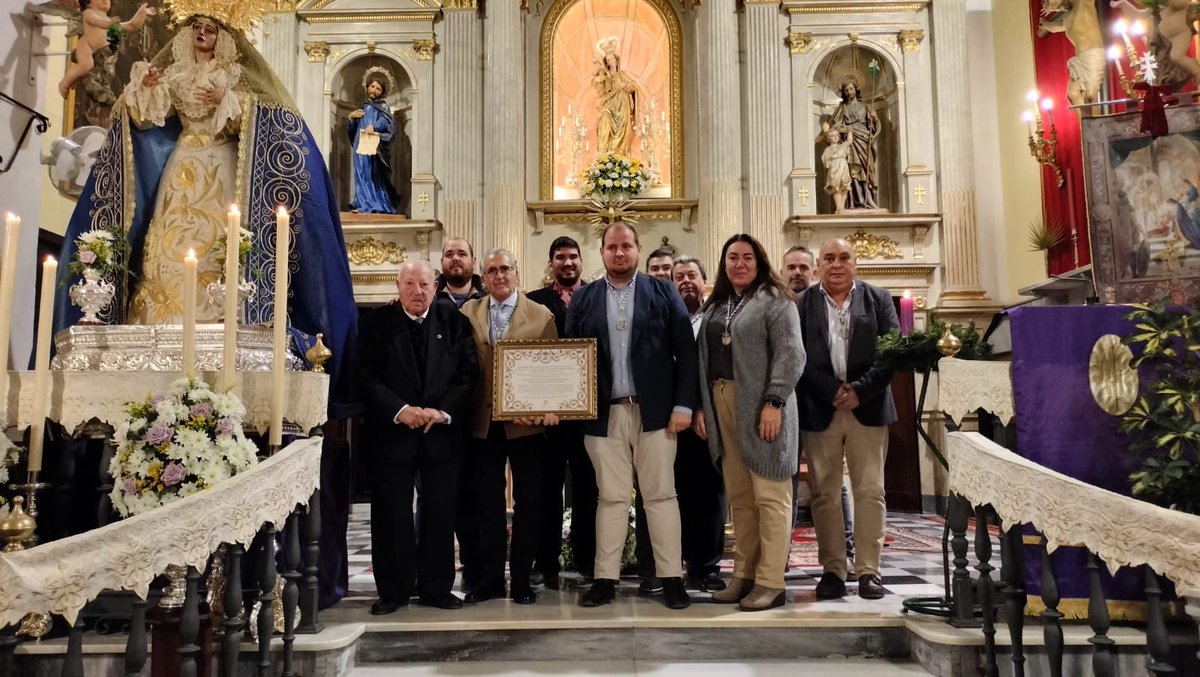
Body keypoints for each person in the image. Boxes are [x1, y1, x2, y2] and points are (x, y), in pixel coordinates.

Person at [54, 12, 359, 417]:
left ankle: (222, 323)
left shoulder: (236, 76)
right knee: (167, 243)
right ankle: (162, 328)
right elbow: (143, 118)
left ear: (224, 37)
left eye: (210, 30)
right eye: (196, 28)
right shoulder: (175, 73)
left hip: (222, 167)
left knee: (219, 245)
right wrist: (143, 91)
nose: (201, 35)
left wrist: (231, 103)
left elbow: (268, 120)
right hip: (181, 165)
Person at [565, 222, 697, 610]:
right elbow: (570, 357)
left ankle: (671, 578)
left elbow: (686, 351)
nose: (619, 253)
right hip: (603, 414)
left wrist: (683, 405)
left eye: (626, 246)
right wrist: (570, 405)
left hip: (656, 412)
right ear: (602, 252)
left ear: (638, 248)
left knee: (661, 495)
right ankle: (605, 579)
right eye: (612, 247)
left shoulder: (663, 291)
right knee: (611, 498)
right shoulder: (584, 298)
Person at [357, 260, 478, 613]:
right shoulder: (375, 324)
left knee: (440, 513)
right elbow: (366, 376)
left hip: (441, 433)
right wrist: (400, 410)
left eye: (424, 284)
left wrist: (443, 412)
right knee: (391, 513)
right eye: (409, 284)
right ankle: (393, 591)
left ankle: (436, 588)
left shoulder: (455, 323)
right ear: (398, 287)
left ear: (435, 287)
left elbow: (468, 374)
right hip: (392, 433)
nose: (417, 291)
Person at [694, 234, 803, 611]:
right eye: (732, 257)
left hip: (761, 405)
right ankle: (744, 574)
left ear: (760, 262)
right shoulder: (717, 304)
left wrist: (774, 401)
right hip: (721, 401)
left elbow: (792, 354)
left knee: (770, 495)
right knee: (740, 498)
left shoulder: (776, 300)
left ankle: (771, 581)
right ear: (723, 264)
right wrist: (703, 406)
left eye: (747, 257)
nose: (739, 264)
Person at [796, 238, 899, 601]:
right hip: (820, 407)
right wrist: (831, 390)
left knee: (870, 490)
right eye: (829, 258)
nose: (836, 264)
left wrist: (859, 390)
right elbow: (796, 355)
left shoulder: (878, 299)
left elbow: (891, 351)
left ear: (856, 263)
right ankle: (834, 569)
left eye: (843, 258)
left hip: (867, 408)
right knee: (824, 493)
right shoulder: (802, 303)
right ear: (818, 266)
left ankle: (869, 570)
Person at [459, 249, 559, 605]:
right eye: (491, 271)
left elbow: (554, 370)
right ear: (483, 278)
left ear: (517, 273)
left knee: (529, 502)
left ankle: (520, 580)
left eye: (505, 269)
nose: (499, 275)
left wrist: (546, 408)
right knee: (486, 504)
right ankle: (490, 580)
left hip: (526, 426)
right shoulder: (467, 313)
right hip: (482, 423)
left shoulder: (541, 315)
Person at [526, 236, 596, 588]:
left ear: (581, 261)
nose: (567, 262)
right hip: (547, 415)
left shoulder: (596, 296)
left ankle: (587, 561)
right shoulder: (533, 301)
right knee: (546, 491)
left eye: (572, 257)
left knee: (587, 490)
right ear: (551, 262)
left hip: (588, 412)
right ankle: (546, 564)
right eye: (560, 257)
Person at [782, 245, 855, 563]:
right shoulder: (778, 305)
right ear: (782, 272)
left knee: (833, 481)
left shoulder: (821, 305)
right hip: (785, 407)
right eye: (791, 267)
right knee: (785, 479)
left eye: (803, 267)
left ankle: (846, 549)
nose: (797, 272)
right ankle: (781, 552)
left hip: (819, 404)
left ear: (813, 271)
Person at [670, 256, 727, 592]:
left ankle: (706, 566)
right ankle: (676, 563)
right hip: (673, 420)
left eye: (692, 275)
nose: (686, 281)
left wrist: (701, 407)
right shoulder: (667, 316)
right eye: (679, 277)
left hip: (711, 419)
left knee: (709, 493)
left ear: (705, 280)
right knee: (676, 494)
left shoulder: (718, 316)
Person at [58, 0, 156, 98]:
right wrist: (111, 23)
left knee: (102, 74)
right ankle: (64, 84)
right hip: (87, 47)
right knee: (86, 65)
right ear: (88, 2)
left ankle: (78, 79)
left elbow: (131, 25)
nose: (105, 0)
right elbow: (99, 22)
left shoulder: (110, 22)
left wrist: (143, 12)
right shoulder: (88, 13)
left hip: (102, 54)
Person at [347, 70, 400, 214]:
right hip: (360, 145)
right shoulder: (363, 108)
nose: (374, 90)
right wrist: (351, 118)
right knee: (361, 173)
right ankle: (362, 204)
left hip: (374, 145)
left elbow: (387, 123)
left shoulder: (383, 107)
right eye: (372, 86)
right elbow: (352, 129)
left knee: (373, 173)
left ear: (382, 92)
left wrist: (374, 126)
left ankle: (377, 204)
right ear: (367, 87)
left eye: (378, 88)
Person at [830, 80, 881, 210]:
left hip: (864, 140)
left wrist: (875, 118)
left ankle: (869, 200)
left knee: (867, 170)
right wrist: (847, 129)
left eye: (851, 89)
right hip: (851, 140)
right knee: (852, 171)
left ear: (856, 90)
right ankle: (856, 202)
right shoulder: (842, 108)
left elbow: (874, 127)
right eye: (846, 90)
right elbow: (835, 126)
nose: (849, 92)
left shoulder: (865, 106)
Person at [592, 50, 637, 157]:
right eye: (608, 60)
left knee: (622, 130)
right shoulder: (605, 75)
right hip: (608, 104)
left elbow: (633, 87)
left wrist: (625, 86)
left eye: (612, 59)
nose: (611, 61)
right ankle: (603, 155)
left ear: (616, 60)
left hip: (622, 106)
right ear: (606, 62)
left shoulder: (623, 75)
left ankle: (620, 154)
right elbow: (599, 89)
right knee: (604, 119)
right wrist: (599, 74)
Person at [436, 238, 485, 308]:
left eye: (462, 254)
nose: (455, 258)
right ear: (441, 262)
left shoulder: (488, 298)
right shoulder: (429, 298)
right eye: (449, 255)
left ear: (473, 261)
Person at [821, 128, 852, 214]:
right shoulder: (827, 149)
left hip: (843, 167)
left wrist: (849, 131)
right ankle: (838, 206)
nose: (835, 137)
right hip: (834, 168)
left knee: (845, 186)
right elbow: (825, 161)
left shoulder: (842, 146)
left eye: (836, 135)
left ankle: (842, 206)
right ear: (828, 138)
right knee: (836, 187)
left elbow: (849, 141)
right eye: (832, 136)